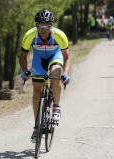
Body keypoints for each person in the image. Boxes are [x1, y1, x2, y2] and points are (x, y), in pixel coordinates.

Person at [19, 10, 71, 142]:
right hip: (38, 58)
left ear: (51, 26)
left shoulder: (60, 35)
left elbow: (67, 57)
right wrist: (25, 70)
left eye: (46, 26)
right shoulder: (29, 35)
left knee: (55, 76)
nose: (43, 30)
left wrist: (65, 73)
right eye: (40, 26)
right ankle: (37, 127)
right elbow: (23, 56)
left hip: (55, 56)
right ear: (36, 26)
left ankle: (57, 107)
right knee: (37, 92)